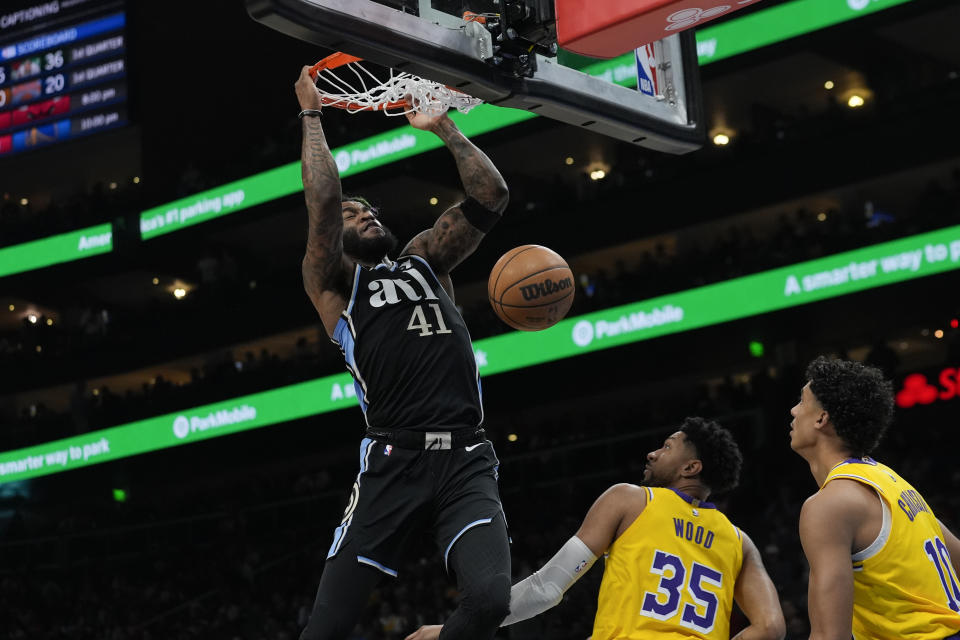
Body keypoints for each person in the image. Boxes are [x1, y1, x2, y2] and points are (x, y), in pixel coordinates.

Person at [293, 66, 511, 640]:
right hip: (394, 460)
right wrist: (312, 114)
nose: (366, 214)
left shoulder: (424, 260)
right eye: (353, 214)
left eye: (371, 210)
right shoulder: (333, 283)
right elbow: (322, 201)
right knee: (326, 627)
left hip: (466, 455)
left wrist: (444, 129)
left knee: (489, 602)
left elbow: (491, 195)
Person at [407, 417, 785, 640]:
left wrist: (455, 631)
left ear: (691, 468)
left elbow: (547, 587)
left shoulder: (630, 499)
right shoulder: (740, 540)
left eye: (667, 448)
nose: (653, 453)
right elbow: (770, 628)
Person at [790, 356, 960, 639]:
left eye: (802, 401)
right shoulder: (892, 482)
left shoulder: (828, 505)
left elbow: (830, 635)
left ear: (822, 418)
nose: (794, 410)